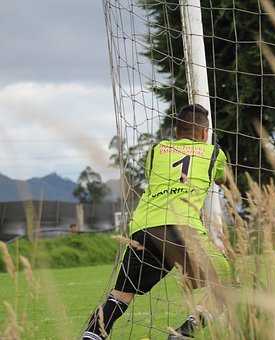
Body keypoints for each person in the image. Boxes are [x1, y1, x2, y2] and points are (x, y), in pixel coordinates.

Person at [82, 104, 230, 340]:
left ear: (176, 131)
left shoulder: (156, 150)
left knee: (121, 294)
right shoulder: (214, 154)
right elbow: (225, 181)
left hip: (145, 228)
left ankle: (92, 336)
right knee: (228, 281)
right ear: (205, 133)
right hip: (184, 229)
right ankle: (183, 333)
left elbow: (158, 177)